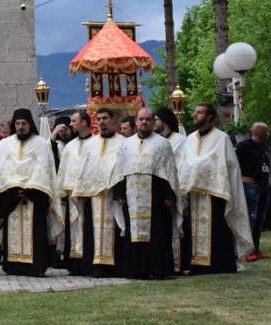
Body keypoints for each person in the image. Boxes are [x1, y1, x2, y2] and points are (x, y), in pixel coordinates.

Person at [179, 103, 253, 273]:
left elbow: (229, 166)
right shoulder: (190, 139)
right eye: (195, 112)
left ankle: (219, 264)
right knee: (193, 229)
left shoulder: (222, 138)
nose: (195, 115)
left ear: (209, 117)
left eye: (200, 112)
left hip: (215, 193)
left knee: (217, 230)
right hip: (193, 193)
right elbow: (185, 163)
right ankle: (196, 264)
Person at [109, 108, 181, 279]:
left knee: (157, 233)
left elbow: (170, 171)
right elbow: (119, 169)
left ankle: (157, 269)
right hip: (131, 194)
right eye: (141, 119)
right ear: (136, 122)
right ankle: (135, 269)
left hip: (157, 195)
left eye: (148, 119)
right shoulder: (126, 144)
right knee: (132, 232)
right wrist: (119, 193)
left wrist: (169, 196)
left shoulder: (162, 144)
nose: (144, 122)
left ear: (153, 122)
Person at [0, 108, 63, 276]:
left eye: (24, 123)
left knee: (36, 234)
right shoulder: (4, 144)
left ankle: (36, 267)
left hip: (35, 196)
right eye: (17, 123)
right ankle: (13, 265)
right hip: (11, 196)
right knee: (11, 232)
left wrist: (28, 189)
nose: (20, 127)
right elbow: (1, 169)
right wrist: (13, 189)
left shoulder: (41, 144)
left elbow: (44, 170)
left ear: (30, 124)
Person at [69, 108, 123, 277]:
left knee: (115, 230)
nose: (101, 122)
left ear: (113, 120)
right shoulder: (91, 144)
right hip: (92, 197)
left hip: (113, 196)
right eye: (98, 119)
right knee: (91, 230)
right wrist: (82, 191)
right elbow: (84, 169)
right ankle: (93, 266)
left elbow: (123, 169)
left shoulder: (123, 143)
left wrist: (120, 192)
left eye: (105, 118)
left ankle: (114, 268)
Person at [55, 109, 92, 273]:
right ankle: (75, 264)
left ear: (84, 122)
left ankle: (88, 262)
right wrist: (62, 193)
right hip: (71, 195)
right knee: (73, 227)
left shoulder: (95, 143)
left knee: (88, 227)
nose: (70, 124)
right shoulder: (70, 146)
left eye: (74, 121)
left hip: (89, 195)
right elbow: (63, 170)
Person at [154, 107, 189, 272]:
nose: (153, 123)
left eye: (156, 119)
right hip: (158, 192)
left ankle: (180, 264)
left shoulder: (180, 141)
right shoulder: (156, 141)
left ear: (165, 121)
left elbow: (183, 166)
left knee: (178, 228)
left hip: (175, 190)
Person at [236, 123, 271, 261]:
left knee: (260, 219)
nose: (268, 134)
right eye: (266, 131)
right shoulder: (243, 146)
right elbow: (233, 164)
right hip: (251, 186)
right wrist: (241, 177)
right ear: (259, 132)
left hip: (265, 185)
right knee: (251, 217)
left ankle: (256, 248)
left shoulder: (265, 147)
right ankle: (247, 250)